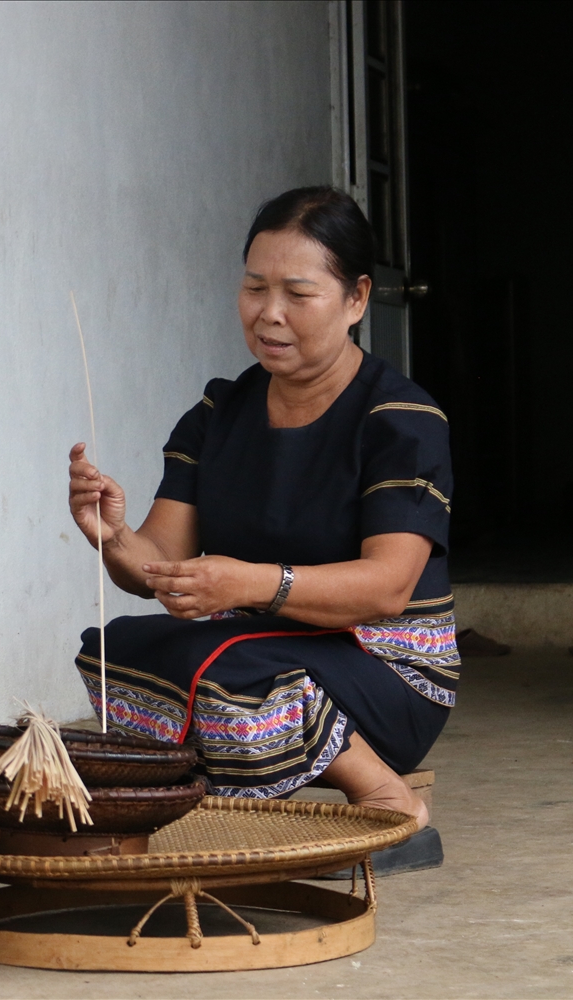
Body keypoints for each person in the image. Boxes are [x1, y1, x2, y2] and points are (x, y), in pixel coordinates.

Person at [68, 186, 457, 830]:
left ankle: (389, 797)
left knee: (232, 672)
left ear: (356, 299)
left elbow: (387, 589)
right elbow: (156, 566)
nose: (269, 314)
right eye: (254, 289)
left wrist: (246, 582)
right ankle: (218, 779)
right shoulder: (219, 413)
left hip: (387, 669)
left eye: (298, 295)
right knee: (119, 650)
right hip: (262, 647)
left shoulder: (400, 420)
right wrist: (112, 536)